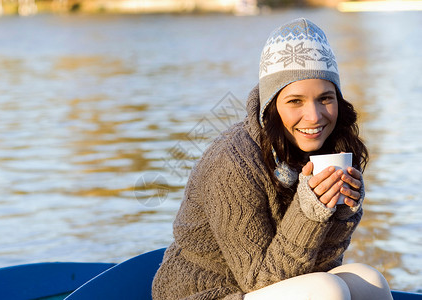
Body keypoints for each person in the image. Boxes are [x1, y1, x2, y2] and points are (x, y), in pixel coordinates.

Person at [152, 18, 393, 300]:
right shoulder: (232, 163)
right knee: (328, 289)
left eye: (326, 98)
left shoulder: (321, 148)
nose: (315, 116)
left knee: (369, 280)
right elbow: (260, 282)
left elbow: (319, 266)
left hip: (266, 288)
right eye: (295, 101)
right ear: (271, 104)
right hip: (206, 294)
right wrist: (310, 212)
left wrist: (339, 210)